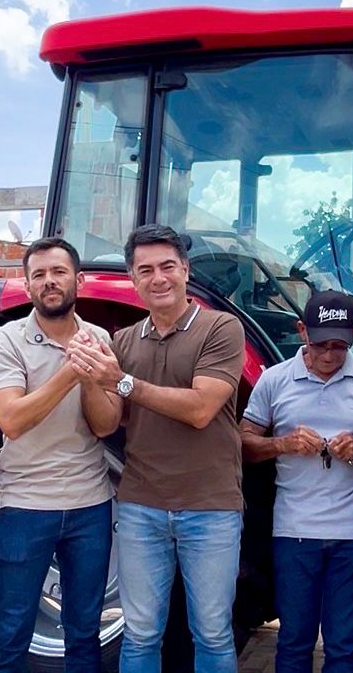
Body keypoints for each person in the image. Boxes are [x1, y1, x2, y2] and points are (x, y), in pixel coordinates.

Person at [67, 224, 246, 673]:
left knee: (212, 631)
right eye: (145, 269)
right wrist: (90, 377)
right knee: (141, 632)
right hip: (141, 506)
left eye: (168, 266)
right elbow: (108, 422)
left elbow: (202, 408)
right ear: (132, 278)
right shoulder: (124, 341)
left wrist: (120, 381)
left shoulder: (221, 328)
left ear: (185, 270)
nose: (158, 277)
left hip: (210, 506)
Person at [0, 237, 120, 673]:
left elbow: (105, 425)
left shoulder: (99, 338)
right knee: (11, 630)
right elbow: (11, 420)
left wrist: (91, 378)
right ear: (27, 286)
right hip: (26, 507)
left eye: (58, 272)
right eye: (39, 275)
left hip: (89, 506)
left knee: (84, 633)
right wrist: (69, 373)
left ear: (77, 280)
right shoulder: (7, 340)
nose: (49, 282)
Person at [239, 290, 353, 673]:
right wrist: (281, 444)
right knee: (293, 642)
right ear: (302, 331)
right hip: (294, 529)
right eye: (320, 344)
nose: (329, 355)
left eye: (340, 346)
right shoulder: (274, 380)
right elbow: (242, 442)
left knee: (344, 646)